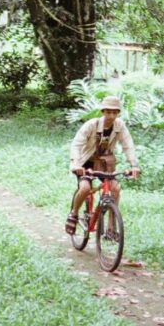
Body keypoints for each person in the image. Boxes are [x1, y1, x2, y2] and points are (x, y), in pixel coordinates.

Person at [65, 95, 141, 234]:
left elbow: (128, 145)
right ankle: (74, 213)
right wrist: (76, 164)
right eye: (108, 112)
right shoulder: (91, 125)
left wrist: (134, 165)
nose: (111, 115)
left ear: (118, 113)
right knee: (85, 188)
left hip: (104, 163)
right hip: (86, 162)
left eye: (114, 112)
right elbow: (77, 144)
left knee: (115, 189)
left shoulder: (120, 126)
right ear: (103, 112)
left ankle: (111, 227)